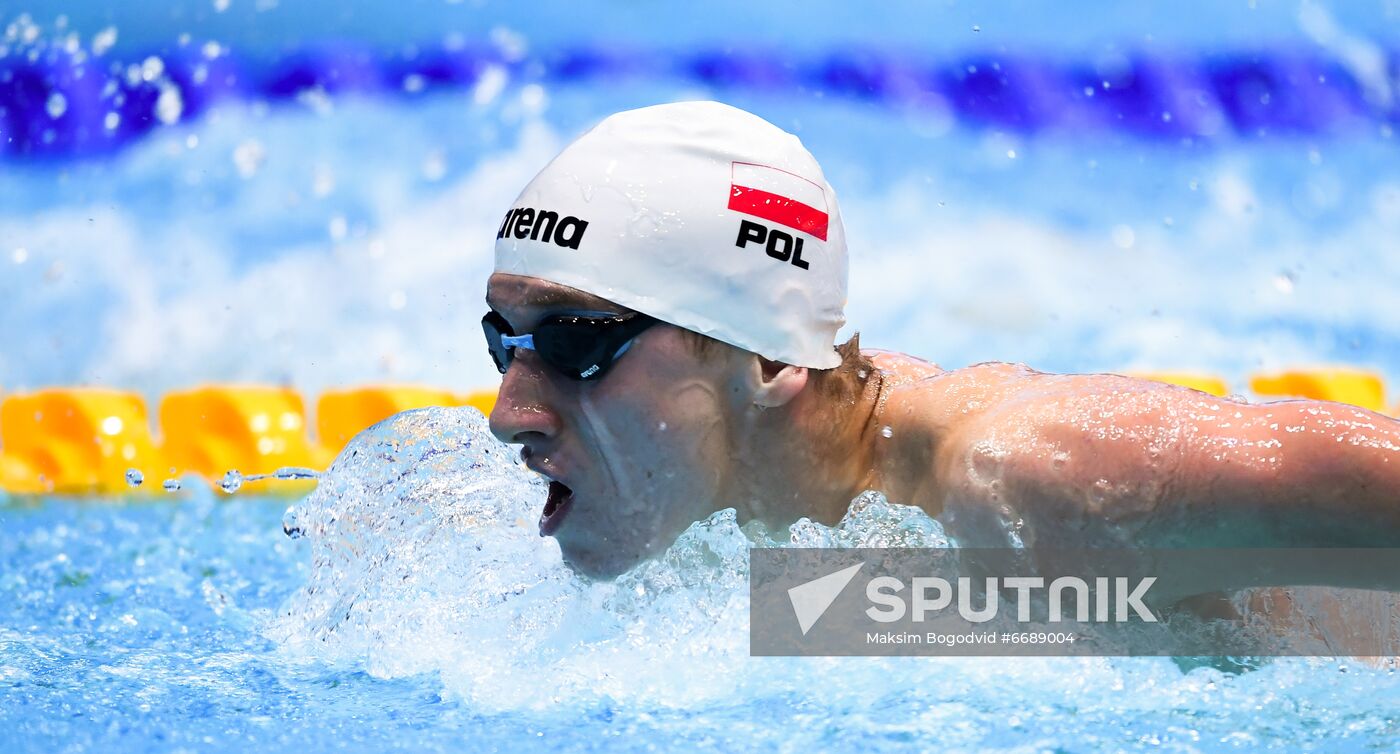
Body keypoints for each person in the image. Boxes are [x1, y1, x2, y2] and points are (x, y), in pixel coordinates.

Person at [484, 101, 1400, 581]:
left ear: (765, 357)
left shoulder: (1044, 479)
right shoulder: (703, 520)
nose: (508, 414)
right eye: (506, 341)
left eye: (576, 341)